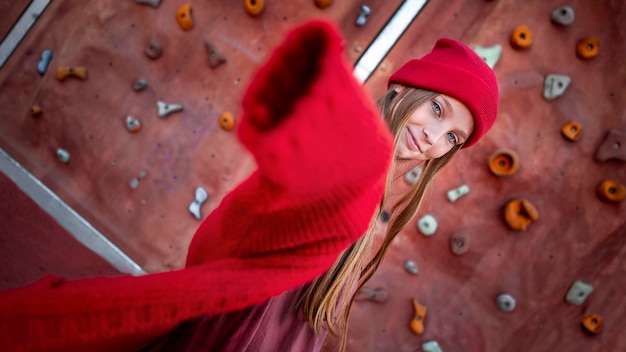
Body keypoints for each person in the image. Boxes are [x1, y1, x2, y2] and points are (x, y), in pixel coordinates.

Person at [0, 19, 498, 352]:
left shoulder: (386, 209)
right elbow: (241, 228)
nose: (434, 138)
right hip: (238, 327)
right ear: (406, 88)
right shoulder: (341, 157)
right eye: (438, 109)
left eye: (453, 137)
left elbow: (320, 308)